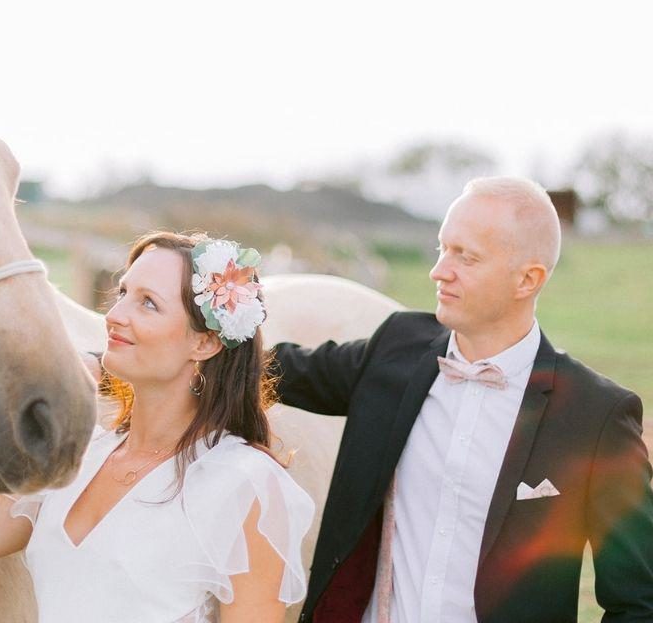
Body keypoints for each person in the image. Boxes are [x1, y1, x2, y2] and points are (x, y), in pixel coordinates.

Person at [273, 176, 653, 622]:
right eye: (442, 248)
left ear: (527, 279)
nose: (439, 271)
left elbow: (638, 602)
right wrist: (206, 304)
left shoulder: (595, 415)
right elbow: (280, 368)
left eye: (465, 257)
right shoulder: (395, 350)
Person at [0, 231, 314, 623]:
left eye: (147, 302)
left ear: (203, 343)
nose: (114, 315)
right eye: (123, 293)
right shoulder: (76, 456)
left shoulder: (246, 485)